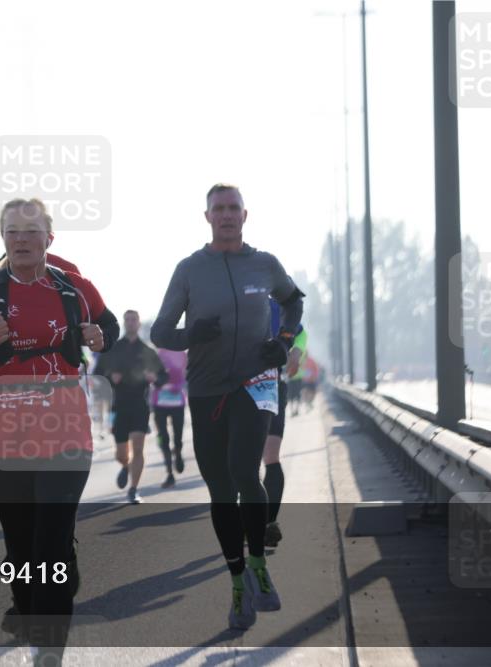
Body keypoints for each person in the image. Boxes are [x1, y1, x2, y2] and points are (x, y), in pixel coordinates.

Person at [0, 198, 118, 665]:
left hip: (67, 436)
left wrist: (101, 336)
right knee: (22, 553)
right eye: (12, 231)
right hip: (8, 443)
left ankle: (47, 652)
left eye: (31, 232)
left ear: (49, 239)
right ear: (3, 238)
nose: (21, 239)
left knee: (50, 547)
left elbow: (109, 323)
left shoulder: (73, 287)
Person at [151, 183, 303, 631]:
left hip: (257, 382)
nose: (226, 214)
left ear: (245, 214)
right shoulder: (189, 270)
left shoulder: (265, 263)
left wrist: (284, 341)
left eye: (233, 207)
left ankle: (258, 562)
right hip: (206, 388)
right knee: (220, 488)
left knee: (244, 471)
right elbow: (161, 332)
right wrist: (190, 336)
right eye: (218, 208)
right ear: (207, 217)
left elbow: (293, 302)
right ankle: (237, 579)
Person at [93, 310, 167, 503]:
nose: (131, 323)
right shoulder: (113, 348)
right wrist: (110, 378)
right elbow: (97, 375)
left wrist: (155, 379)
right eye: (128, 319)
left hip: (140, 406)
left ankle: (133, 489)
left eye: (134, 319)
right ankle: (125, 466)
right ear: (124, 323)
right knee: (120, 453)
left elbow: (163, 377)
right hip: (118, 407)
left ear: (139, 323)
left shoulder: (147, 350)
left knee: (139, 447)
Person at [262, 300, 308, 549]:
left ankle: (269, 524)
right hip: (235, 390)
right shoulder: (226, 295)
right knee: (241, 461)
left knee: (271, 455)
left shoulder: (275, 304)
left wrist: (297, 352)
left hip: (271, 386)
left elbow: (300, 332)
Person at [152, 348, 188, 488]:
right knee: (162, 436)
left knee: (177, 435)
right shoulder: (157, 354)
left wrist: (178, 386)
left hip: (177, 400)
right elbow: (151, 374)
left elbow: (186, 374)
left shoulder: (182, 354)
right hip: (159, 402)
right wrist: (156, 382)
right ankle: (169, 473)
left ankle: (178, 453)